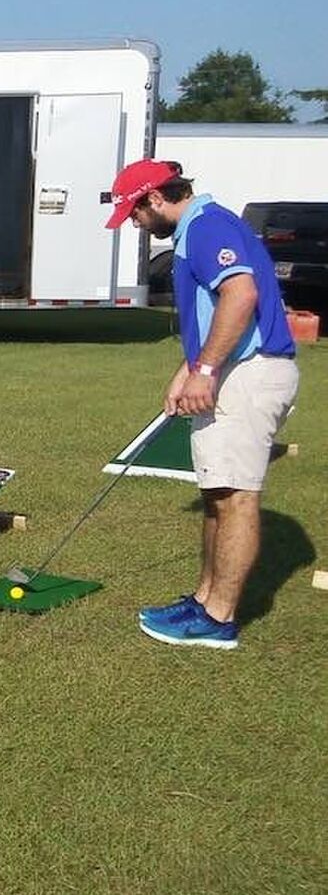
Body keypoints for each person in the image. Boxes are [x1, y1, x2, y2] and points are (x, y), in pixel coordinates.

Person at [108, 158, 300, 649]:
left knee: (235, 496)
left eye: (135, 212)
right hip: (234, 370)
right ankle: (203, 599)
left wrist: (207, 371)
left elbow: (240, 295)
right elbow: (214, 313)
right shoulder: (201, 227)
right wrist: (187, 371)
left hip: (250, 375)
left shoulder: (208, 226)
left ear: (155, 198)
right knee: (217, 494)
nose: (134, 223)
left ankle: (218, 619)